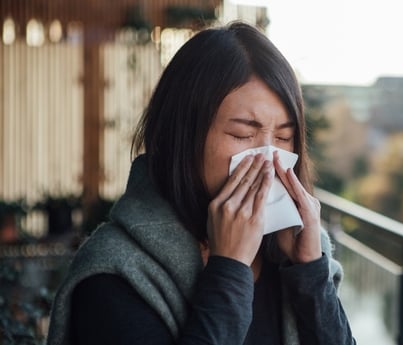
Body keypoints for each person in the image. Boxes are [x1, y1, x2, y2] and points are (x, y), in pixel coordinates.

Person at [46, 22, 355, 345]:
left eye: (283, 137)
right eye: (242, 135)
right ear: (183, 135)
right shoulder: (117, 272)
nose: (268, 161)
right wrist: (230, 270)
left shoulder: (292, 252)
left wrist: (311, 274)